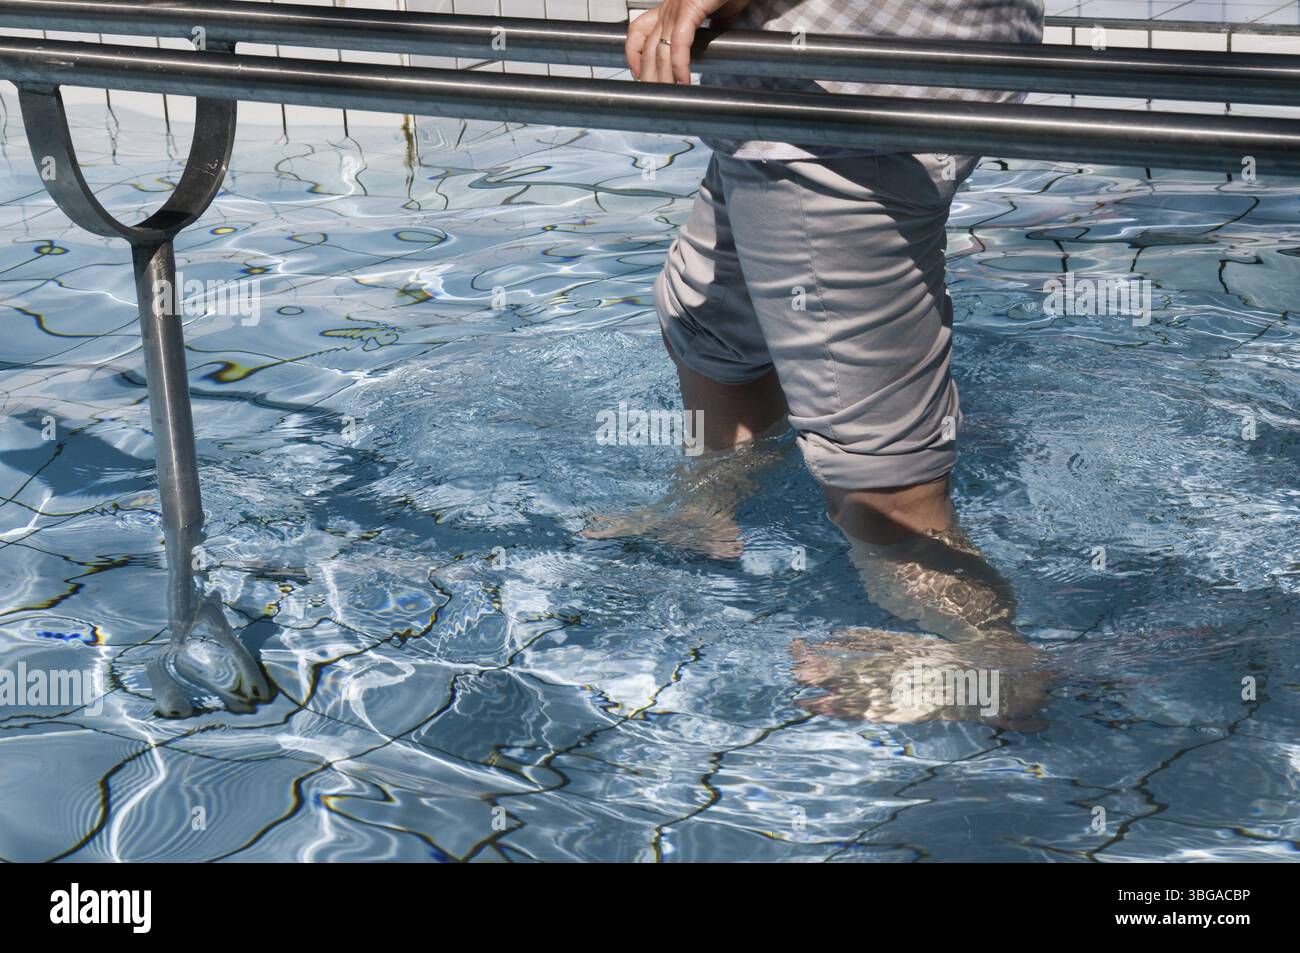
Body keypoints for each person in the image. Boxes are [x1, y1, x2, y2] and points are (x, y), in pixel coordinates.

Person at [590, 0, 1049, 728]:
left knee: (875, 471)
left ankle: (998, 664)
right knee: (713, 322)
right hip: (783, 83)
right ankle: (711, 498)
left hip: (839, 94)